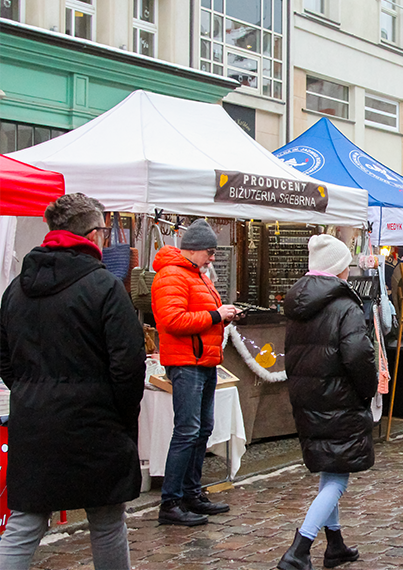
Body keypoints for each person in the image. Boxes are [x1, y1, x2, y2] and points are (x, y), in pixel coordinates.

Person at [0, 194, 146, 570]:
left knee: (26, 522)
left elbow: (4, 356)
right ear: (95, 234)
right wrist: (120, 413)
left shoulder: (16, 289)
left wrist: (30, 391)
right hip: (96, 421)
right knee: (107, 520)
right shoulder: (104, 287)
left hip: (35, 420)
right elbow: (128, 364)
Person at [276, 234, 378, 570]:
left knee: (330, 467)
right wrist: (368, 390)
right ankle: (299, 548)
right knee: (337, 478)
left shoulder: (298, 307)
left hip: (309, 398)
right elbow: (358, 356)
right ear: (339, 269)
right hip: (340, 398)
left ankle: (334, 545)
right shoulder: (345, 306)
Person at [153, 219, 239, 526]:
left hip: (203, 362)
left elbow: (199, 315)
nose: (213, 258)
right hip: (186, 363)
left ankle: (191, 492)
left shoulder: (197, 275)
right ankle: (171, 502)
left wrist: (223, 316)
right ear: (195, 249)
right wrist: (217, 314)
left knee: (202, 429)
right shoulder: (172, 275)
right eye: (211, 252)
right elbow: (173, 320)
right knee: (187, 430)